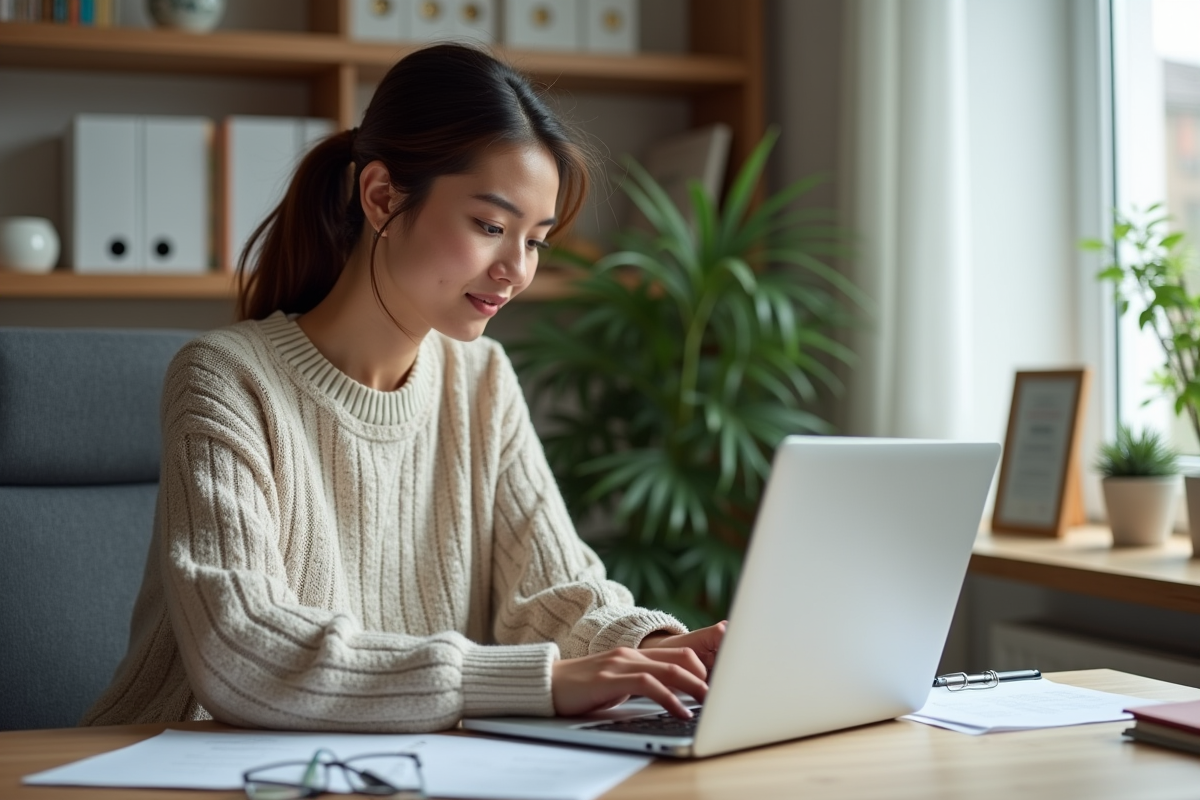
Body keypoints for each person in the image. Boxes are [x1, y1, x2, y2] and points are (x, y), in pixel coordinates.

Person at [82, 43, 725, 733]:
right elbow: (242, 648)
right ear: (382, 197)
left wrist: (654, 649)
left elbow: (552, 592)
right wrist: (535, 681)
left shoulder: (482, 380)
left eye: (535, 240)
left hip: (402, 762)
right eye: (490, 226)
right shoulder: (225, 377)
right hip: (179, 759)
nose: (516, 270)